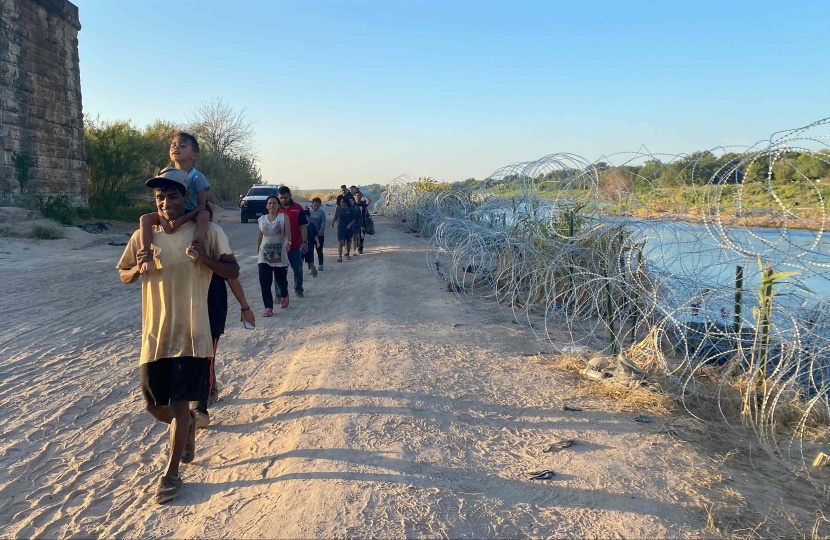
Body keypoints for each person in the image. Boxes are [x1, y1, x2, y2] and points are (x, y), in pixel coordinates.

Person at [116, 167, 240, 504]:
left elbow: (233, 271)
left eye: (173, 196)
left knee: (180, 404)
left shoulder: (209, 232)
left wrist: (206, 259)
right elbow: (124, 274)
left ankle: (171, 474)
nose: (166, 202)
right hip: (155, 335)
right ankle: (182, 431)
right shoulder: (145, 237)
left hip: (193, 333)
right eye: (160, 197)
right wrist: (137, 267)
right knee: (155, 405)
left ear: (185, 198)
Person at [192, 206, 256, 430]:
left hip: (212, 306)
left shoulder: (213, 235)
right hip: (185, 308)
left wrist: (245, 307)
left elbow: (232, 276)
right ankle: (209, 386)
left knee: (206, 355)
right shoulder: (172, 235)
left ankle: (200, 406)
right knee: (192, 356)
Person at [137, 132, 210, 273]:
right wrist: (163, 221)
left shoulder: (197, 177)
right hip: (169, 211)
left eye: (182, 146)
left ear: (194, 155)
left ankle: (197, 246)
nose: (176, 148)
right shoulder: (166, 174)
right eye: (173, 145)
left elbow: (202, 205)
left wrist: (182, 219)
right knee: (144, 219)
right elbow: (160, 202)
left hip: (191, 211)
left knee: (204, 215)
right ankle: (146, 254)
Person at [257, 195, 292, 314]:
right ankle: (268, 308)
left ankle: (284, 294)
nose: (272, 205)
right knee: (265, 282)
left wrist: (288, 243)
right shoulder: (261, 219)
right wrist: (258, 249)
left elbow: (287, 233)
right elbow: (260, 235)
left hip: (279, 253)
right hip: (264, 254)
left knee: (281, 280)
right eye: (270, 203)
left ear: (278, 206)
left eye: (274, 203)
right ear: (266, 206)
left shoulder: (283, 217)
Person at [277, 186, 309, 298]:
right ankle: (279, 294)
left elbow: (303, 226)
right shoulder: (275, 209)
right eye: (281, 198)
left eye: (285, 197)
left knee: (298, 269)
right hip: (279, 246)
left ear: (290, 195)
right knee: (279, 271)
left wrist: (305, 241)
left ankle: (298, 289)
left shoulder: (298, 208)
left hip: (295, 245)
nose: (283, 200)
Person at [332, 194, 359, 262]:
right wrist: (333, 222)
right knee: (341, 241)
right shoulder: (338, 208)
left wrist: (350, 224)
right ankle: (340, 256)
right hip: (341, 227)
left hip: (348, 228)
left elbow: (354, 219)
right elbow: (336, 216)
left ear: (346, 202)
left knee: (348, 241)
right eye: (340, 202)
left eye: (343, 202)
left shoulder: (351, 209)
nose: (341, 203)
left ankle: (347, 253)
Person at [307, 197, 327, 271]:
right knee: (310, 251)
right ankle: (311, 267)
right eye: (314, 205)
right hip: (310, 235)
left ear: (320, 205)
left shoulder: (322, 212)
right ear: (312, 204)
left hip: (319, 234)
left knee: (319, 250)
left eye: (317, 206)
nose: (315, 207)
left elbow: (323, 222)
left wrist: (321, 230)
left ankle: (320, 264)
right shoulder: (308, 211)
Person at [350, 186, 372, 254]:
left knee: (361, 236)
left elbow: (369, 201)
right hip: (354, 222)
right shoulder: (353, 204)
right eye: (357, 195)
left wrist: (363, 195)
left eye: (359, 195)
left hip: (362, 221)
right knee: (355, 236)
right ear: (355, 196)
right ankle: (355, 248)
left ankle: (360, 248)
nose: (358, 196)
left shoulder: (363, 203)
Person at [303, 207, 319, 277]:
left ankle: (312, 267)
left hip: (310, 245)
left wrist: (318, 242)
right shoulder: (300, 226)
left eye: (306, 217)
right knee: (301, 258)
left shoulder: (311, 225)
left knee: (310, 258)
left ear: (309, 217)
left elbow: (315, 235)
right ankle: (299, 270)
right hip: (301, 244)